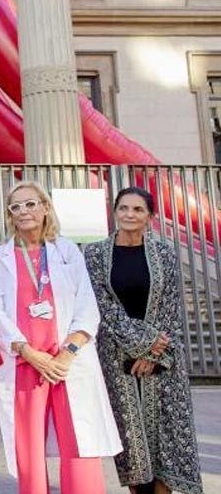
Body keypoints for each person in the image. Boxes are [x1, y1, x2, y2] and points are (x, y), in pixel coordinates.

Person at [0, 180, 121, 494]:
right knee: (28, 447)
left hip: (67, 364)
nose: (24, 211)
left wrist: (67, 353)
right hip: (25, 363)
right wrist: (29, 353)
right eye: (15, 206)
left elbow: (87, 306)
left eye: (30, 204)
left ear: (45, 207)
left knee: (79, 442)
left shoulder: (67, 251)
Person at [84, 187, 203, 494]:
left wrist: (153, 354)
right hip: (116, 358)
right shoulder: (96, 254)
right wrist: (144, 343)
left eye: (138, 210)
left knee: (167, 443)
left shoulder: (164, 253)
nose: (129, 215)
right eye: (123, 208)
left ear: (149, 217)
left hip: (163, 361)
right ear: (115, 212)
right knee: (132, 444)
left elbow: (171, 306)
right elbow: (103, 306)